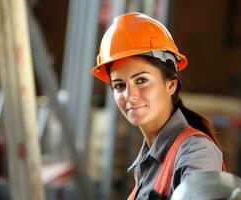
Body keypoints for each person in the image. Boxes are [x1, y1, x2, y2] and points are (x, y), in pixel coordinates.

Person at [91, 12, 225, 200]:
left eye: (142, 80)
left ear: (171, 84)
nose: (130, 96)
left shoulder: (197, 152)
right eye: (119, 85)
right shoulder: (148, 163)